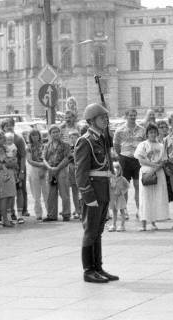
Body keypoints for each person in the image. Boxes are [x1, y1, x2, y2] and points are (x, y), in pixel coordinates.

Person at [75, 103, 119, 284]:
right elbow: (81, 172)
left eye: (106, 118)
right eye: (102, 118)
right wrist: (88, 195)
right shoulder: (85, 141)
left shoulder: (101, 139)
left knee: (98, 231)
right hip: (92, 190)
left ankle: (97, 267)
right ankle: (88, 270)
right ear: (91, 121)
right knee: (90, 230)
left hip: (102, 189)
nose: (105, 120)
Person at [135, 123, 169, 231]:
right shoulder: (143, 145)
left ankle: (153, 222)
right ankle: (143, 223)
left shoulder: (161, 146)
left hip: (158, 173)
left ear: (157, 133)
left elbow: (163, 160)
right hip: (146, 172)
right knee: (145, 197)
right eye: (150, 132)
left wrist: (156, 168)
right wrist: (153, 166)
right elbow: (140, 159)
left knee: (155, 197)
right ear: (147, 134)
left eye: (154, 132)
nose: (153, 134)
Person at [113, 109, 145, 218]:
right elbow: (116, 145)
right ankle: (124, 210)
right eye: (130, 115)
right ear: (126, 116)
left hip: (137, 160)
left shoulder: (142, 130)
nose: (133, 117)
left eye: (134, 115)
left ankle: (139, 210)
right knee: (124, 186)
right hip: (125, 159)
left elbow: (145, 144)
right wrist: (121, 155)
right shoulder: (119, 130)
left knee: (138, 186)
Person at [43, 125, 71, 222]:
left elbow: (68, 158)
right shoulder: (47, 146)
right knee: (51, 194)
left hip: (62, 170)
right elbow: (44, 159)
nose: (55, 134)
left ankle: (66, 214)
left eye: (57, 132)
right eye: (53, 132)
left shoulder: (65, 145)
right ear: (50, 134)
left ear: (60, 133)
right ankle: (52, 215)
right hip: (51, 171)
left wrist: (58, 167)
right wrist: (50, 168)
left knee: (64, 193)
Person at [0, 130, 17, 227]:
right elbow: (6, 162)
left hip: (8, 173)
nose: (3, 139)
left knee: (10, 196)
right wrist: (12, 162)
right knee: (4, 197)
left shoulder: (5, 147)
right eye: (0, 138)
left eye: (3, 137)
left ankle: (7, 218)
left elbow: (12, 161)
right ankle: (5, 220)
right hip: (3, 174)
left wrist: (12, 162)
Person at [26, 128, 48, 221]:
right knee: (36, 194)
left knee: (46, 192)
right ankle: (38, 213)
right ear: (30, 137)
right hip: (34, 169)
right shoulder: (29, 147)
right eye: (33, 135)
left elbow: (47, 158)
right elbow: (29, 160)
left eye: (36, 135)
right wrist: (40, 165)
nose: (35, 137)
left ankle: (50, 211)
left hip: (45, 168)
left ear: (39, 136)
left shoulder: (44, 146)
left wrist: (44, 167)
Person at [108, 162, 129, 232]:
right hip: (113, 198)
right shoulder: (110, 179)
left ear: (120, 170)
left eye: (117, 169)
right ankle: (113, 225)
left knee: (122, 211)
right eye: (114, 169)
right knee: (114, 211)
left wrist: (122, 192)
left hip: (120, 197)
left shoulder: (122, 179)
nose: (116, 170)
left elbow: (127, 186)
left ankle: (122, 225)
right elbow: (109, 187)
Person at [68, 130, 82, 219]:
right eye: (71, 137)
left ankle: (82, 210)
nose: (72, 139)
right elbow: (68, 158)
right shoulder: (69, 148)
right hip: (72, 171)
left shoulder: (82, 146)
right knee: (74, 192)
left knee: (82, 191)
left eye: (74, 137)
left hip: (81, 171)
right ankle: (77, 210)